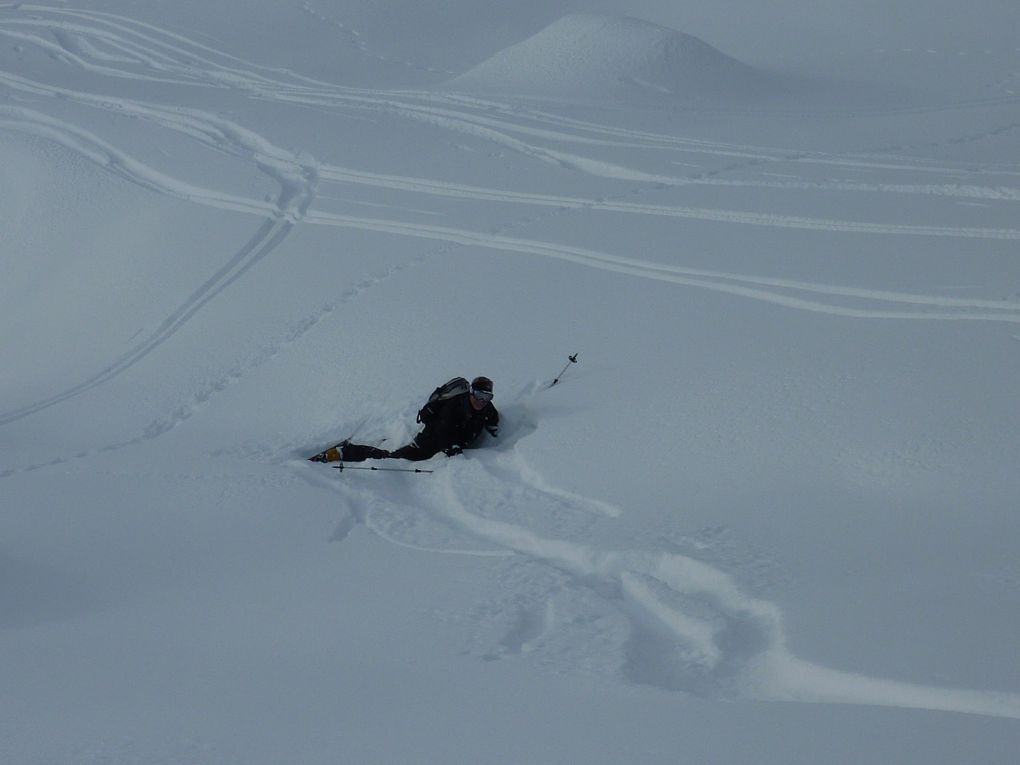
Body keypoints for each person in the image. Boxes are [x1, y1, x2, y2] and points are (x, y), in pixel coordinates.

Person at [309, 376, 499, 463]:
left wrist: (493, 426)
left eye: (487, 397)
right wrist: (451, 448)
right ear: (471, 392)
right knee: (391, 459)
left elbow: (492, 416)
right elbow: (442, 430)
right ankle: (344, 452)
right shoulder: (454, 406)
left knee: (392, 458)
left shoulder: (486, 408)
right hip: (428, 443)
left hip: (448, 446)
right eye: (479, 395)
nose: (482, 401)